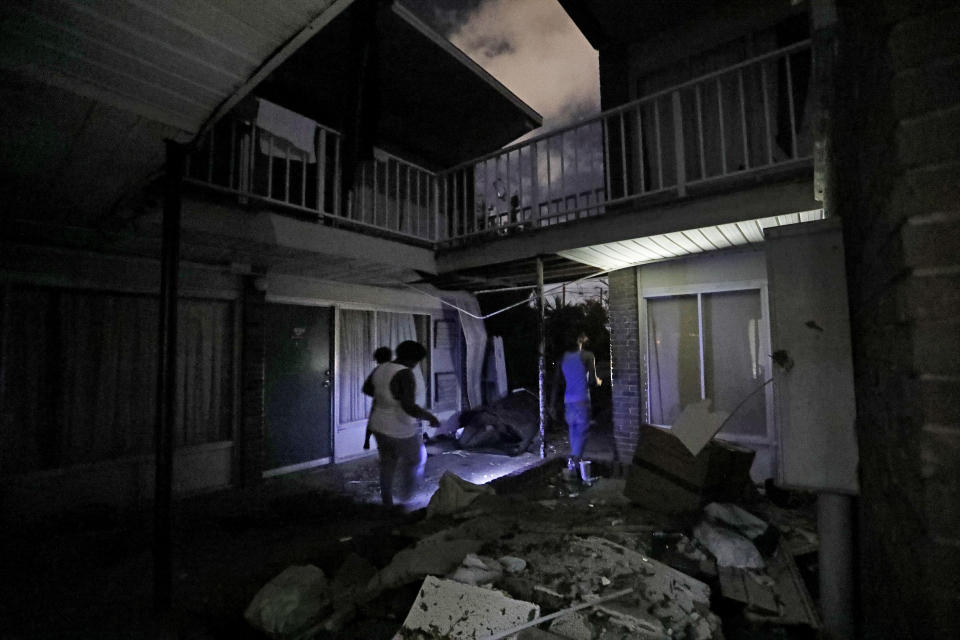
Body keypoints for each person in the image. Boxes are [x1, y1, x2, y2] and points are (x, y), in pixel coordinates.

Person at [362, 340, 439, 508]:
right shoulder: (404, 373)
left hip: (378, 424)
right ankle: (408, 496)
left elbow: (367, 389)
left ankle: (388, 502)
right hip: (398, 426)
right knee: (418, 458)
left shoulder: (381, 368)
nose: (415, 365)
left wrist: (385, 397)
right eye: (417, 361)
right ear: (413, 359)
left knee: (387, 463)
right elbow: (409, 407)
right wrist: (430, 417)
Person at [552, 331, 602, 482]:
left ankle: (575, 469)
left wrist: (551, 405)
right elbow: (593, 381)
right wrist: (599, 381)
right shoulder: (587, 356)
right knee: (582, 433)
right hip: (582, 400)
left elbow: (556, 383)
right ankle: (573, 465)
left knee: (574, 433)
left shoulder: (562, 358)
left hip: (568, 401)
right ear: (580, 340)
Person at [363, 346, 393, 450]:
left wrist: (378, 394)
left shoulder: (377, 370)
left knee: (373, 422)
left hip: (379, 403)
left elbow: (366, 388)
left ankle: (367, 440)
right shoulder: (395, 369)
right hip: (391, 405)